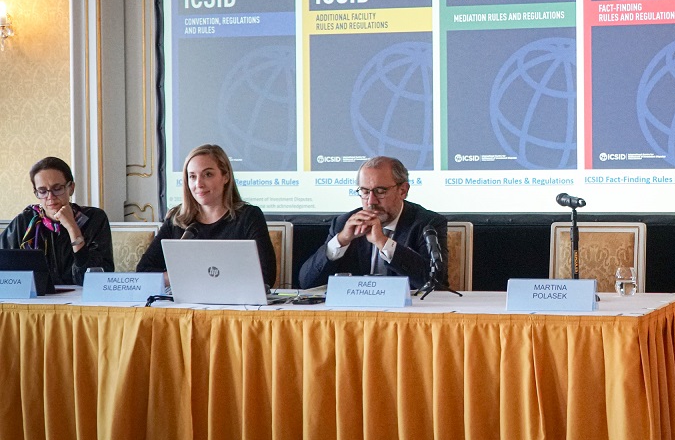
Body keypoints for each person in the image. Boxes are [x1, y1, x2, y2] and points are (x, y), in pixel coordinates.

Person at [298, 156, 447, 290]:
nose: (371, 201)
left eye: (380, 191)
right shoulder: (344, 223)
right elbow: (306, 282)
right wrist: (341, 240)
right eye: (364, 192)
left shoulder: (427, 224)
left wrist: (383, 242)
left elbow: (435, 283)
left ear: (403, 190)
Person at [136, 144, 276, 285]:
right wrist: (183, 277)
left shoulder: (248, 216)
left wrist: (198, 277)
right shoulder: (177, 219)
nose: (199, 184)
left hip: (234, 298)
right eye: (192, 176)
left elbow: (266, 275)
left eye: (208, 174)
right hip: (187, 298)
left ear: (226, 177)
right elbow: (144, 271)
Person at [1, 156, 114, 285]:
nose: (50, 197)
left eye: (57, 189)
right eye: (42, 191)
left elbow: (97, 279)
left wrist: (72, 228)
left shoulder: (94, 219)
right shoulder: (25, 221)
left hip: (82, 296)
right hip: (37, 296)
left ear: (71, 188)